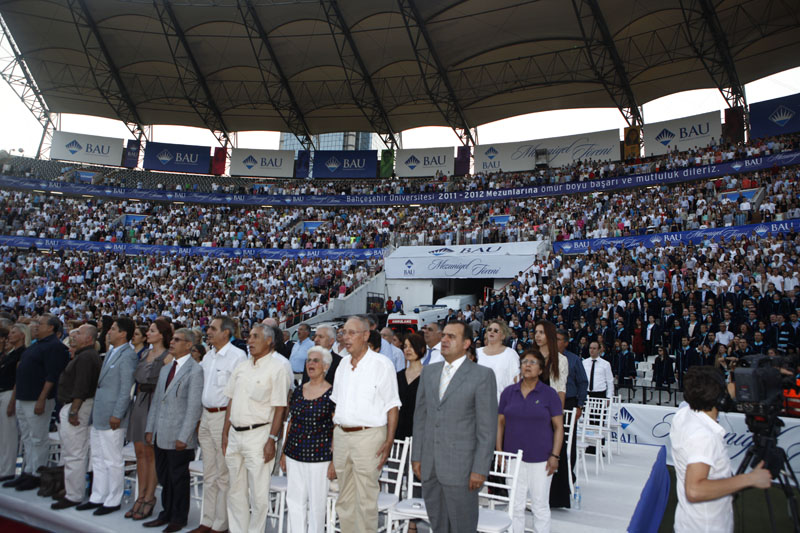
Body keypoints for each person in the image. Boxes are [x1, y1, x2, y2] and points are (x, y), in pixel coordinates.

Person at [411, 320, 497, 533]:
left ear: (467, 343)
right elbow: (420, 418)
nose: (445, 340)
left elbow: (487, 429)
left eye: (452, 336)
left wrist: (479, 469)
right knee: (438, 526)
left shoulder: (482, 375)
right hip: (430, 466)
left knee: (462, 527)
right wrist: (417, 456)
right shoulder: (429, 372)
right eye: (444, 336)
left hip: (462, 470)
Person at [670, 366, 773, 532]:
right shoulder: (704, 437)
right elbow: (694, 490)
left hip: (690, 523)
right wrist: (751, 479)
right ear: (719, 397)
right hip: (706, 527)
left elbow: (716, 392)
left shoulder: (683, 415)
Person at [330, 316, 401, 533]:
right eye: (344, 332)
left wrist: (389, 441)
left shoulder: (382, 364)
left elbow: (392, 406)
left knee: (366, 498)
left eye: (352, 333)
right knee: (344, 496)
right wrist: (335, 437)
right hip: (342, 435)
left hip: (369, 437)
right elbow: (336, 405)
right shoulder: (342, 364)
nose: (346, 337)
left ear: (366, 335)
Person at [222, 323, 289, 533]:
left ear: (269, 341)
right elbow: (231, 401)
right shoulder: (241, 366)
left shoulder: (278, 367)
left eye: (255, 336)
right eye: (249, 336)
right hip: (235, 435)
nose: (249, 341)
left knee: (258, 495)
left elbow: (280, 408)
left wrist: (271, 439)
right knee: (235, 491)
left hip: (260, 435)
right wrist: (225, 434)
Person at [144, 328, 204, 533]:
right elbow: (157, 402)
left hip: (179, 436)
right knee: (164, 476)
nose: (172, 342)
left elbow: (194, 407)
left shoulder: (195, 371)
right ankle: (166, 513)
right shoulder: (166, 369)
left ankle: (179, 518)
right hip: (161, 432)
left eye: (177, 340)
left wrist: (184, 436)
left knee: (178, 478)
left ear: (189, 345)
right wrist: (150, 428)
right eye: (173, 339)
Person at [497, 349, 564, 533]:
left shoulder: (549, 394)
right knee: (515, 506)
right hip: (513, 458)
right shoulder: (508, 393)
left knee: (540, 506)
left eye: (533, 362)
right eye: (524, 361)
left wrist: (555, 455)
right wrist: (500, 452)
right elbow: (500, 424)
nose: (527, 365)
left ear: (541, 370)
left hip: (542, 458)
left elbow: (559, 428)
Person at [78, 317, 137, 515]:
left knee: (112, 459)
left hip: (112, 415)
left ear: (123, 333)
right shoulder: (112, 352)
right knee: (97, 457)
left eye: (113, 329)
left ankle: (113, 499)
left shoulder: (127, 355)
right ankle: (98, 495)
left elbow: (125, 388)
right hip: (99, 413)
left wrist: (118, 414)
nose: (108, 331)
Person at [193, 316, 247, 533]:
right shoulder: (209, 356)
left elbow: (238, 394)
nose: (208, 332)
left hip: (223, 417)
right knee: (210, 472)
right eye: (208, 328)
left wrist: (226, 427)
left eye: (213, 329)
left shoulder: (237, 357)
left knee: (223, 474)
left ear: (226, 333)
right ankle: (206, 520)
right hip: (206, 416)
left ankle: (220, 523)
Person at [5, 314, 69, 491]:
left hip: (37, 398)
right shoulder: (36, 345)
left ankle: (37, 474)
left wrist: (42, 398)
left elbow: (52, 375)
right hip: (24, 396)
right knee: (26, 436)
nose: (36, 327)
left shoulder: (55, 347)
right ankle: (28, 470)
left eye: (40, 324)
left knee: (38, 438)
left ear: (51, 328)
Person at [281, 345, 335, 533]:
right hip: (294, 453)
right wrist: (283, 452)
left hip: (319, 457)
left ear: (326, 366)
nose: (310, 364)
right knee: (294, 501)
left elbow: (337, 429)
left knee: (316, 504)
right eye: (308, 360)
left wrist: (334, 461)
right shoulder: (298, 391)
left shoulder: (332, 394)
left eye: (315, 360)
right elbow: (292, 421)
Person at [125, 317, 173, 521]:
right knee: (139, 451)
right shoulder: (144, 353)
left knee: (150, 452)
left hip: (154, 402)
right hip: (140, 402)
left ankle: (149, 496)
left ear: (161, 334)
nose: (148, 333)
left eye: (152, 330)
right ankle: (141, 494)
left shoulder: (167, 356)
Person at [51, 324, 101, 510]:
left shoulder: (87, 357)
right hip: (76, 405)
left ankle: (74, 494)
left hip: (77, 406)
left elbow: (81, 385)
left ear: (89, 338)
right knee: (74, 452)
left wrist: (74, 410)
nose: (73, 337)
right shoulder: (85, 355)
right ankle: (72, 489)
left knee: (74, 454)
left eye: (78, 333)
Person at [533, 319, 571, 509]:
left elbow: (560, 391)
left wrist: (556, 419)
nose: (537, 336)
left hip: (548, 412)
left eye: (541, 332)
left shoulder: (560, 360)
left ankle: (551, 497)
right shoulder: (530, 356)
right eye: (536, 332)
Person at [0, 323, 28, 482]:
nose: (10, 335)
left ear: (22, 335)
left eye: (13, 332)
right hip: (3, 392)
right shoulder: (10, 354)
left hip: (9, 393)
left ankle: (7, 469)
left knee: (8, 435)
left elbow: (18, 379)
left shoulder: (22, 353)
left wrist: (12, 401)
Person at [477, 319, 521, 401]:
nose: (491, 332)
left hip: (502, 406)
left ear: (503, 336)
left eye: (496, 331)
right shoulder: (477, 353)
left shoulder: (511, 354)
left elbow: (518, 382)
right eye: (489, 330)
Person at [396, 332, 425, 440]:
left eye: (412, 346)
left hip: (419, 432)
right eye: (405, 346)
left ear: (422, 349)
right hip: (397, 432)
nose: (408, 350)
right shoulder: (398, 376)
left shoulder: (428, 376)